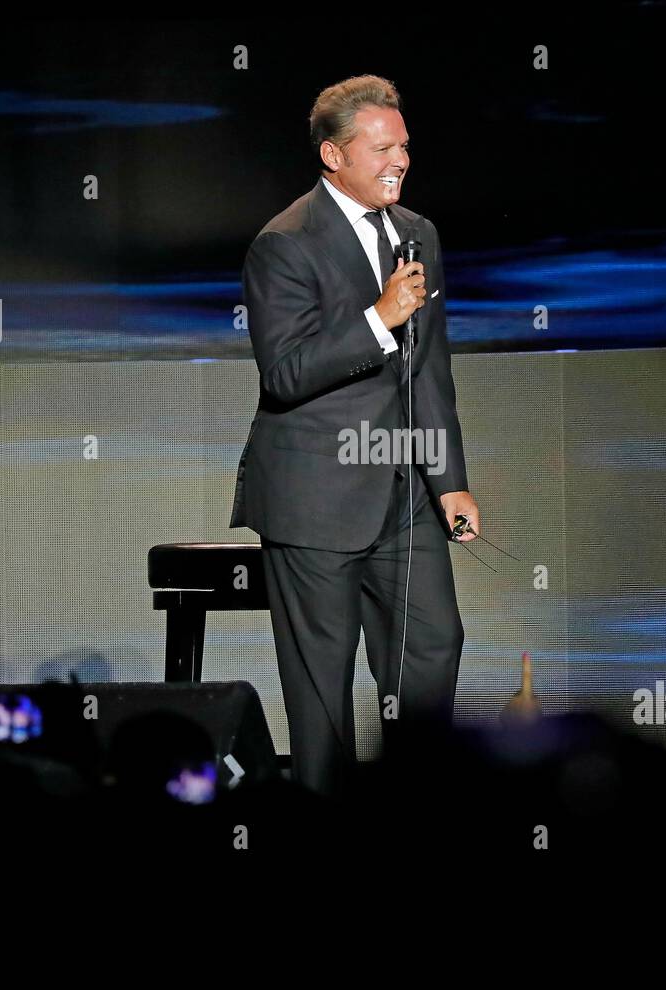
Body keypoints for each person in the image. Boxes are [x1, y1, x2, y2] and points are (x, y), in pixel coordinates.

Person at [230, 75, 479, 795]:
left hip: (403, 490)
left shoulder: (419, 234)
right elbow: (285, 372)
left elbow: (429, 373)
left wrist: (450, 478)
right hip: (314, 497)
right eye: (381, 148)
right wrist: (378, 319)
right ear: (334, 156)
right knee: (322, 687)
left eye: (403, 146)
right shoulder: (284, 244)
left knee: (433, 647)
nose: (399, 160)